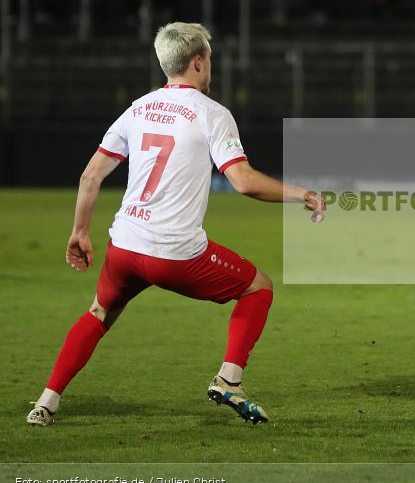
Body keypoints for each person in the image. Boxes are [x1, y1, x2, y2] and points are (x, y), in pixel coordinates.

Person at [26, 23, 326, 427]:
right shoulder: (212, 114)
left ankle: (46, 403)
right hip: (175, 254)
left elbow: (90, 176)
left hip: (125, 246)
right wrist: (302, 194)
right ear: (198, 62)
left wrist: (79, 232)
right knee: (259, 287)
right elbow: (243, 182)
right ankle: (229, 380)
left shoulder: (137, 108)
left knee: (99, 313)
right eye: (210, 58)